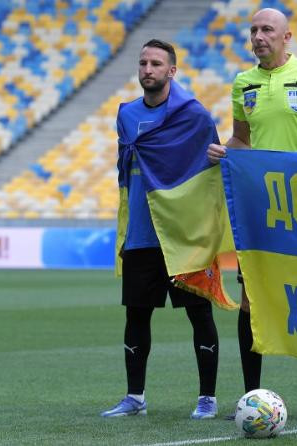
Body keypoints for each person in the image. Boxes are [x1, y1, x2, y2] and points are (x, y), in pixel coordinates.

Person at [205, 8, 297, 418]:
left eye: (268, 30)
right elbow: (242, 139)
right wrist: (224, 151)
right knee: (252, 299)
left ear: (287, 37)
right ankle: (252, 396)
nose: (259, 36)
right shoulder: (243, 83)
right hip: (260, 207)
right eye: (254, 30)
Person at [101, 39, 221, 419]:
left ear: (172, 71)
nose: (147, 69)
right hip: (140, 233)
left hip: (184, 235)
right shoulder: (126, 116)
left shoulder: (196, 116)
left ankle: (208, 398)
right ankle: (134, 397)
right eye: (143, 63)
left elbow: (208, 174)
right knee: (136, 314)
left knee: (199, 313)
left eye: (156, 64)